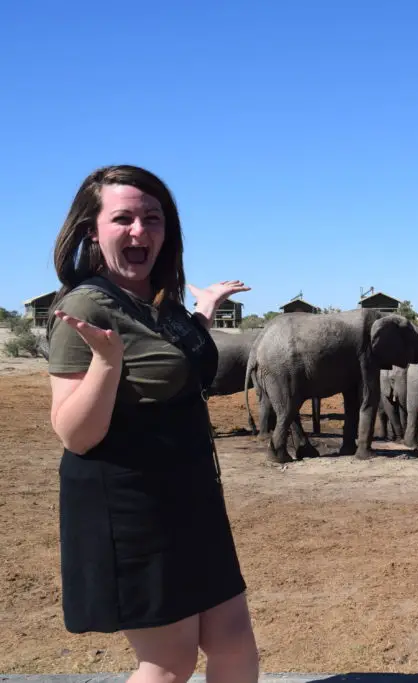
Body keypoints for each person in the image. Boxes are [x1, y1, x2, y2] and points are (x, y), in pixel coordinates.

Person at [46, 165, 259, 683]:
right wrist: (106, 364)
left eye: (152, 218)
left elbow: (171, 363)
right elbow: (74, 434)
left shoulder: (158, 302)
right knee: (168, 664)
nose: (140, 230)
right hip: (131, 502)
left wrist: (203, 311)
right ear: (90, 230)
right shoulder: (84, 307)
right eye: (123, 218)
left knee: (234, 647)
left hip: (189, 493)